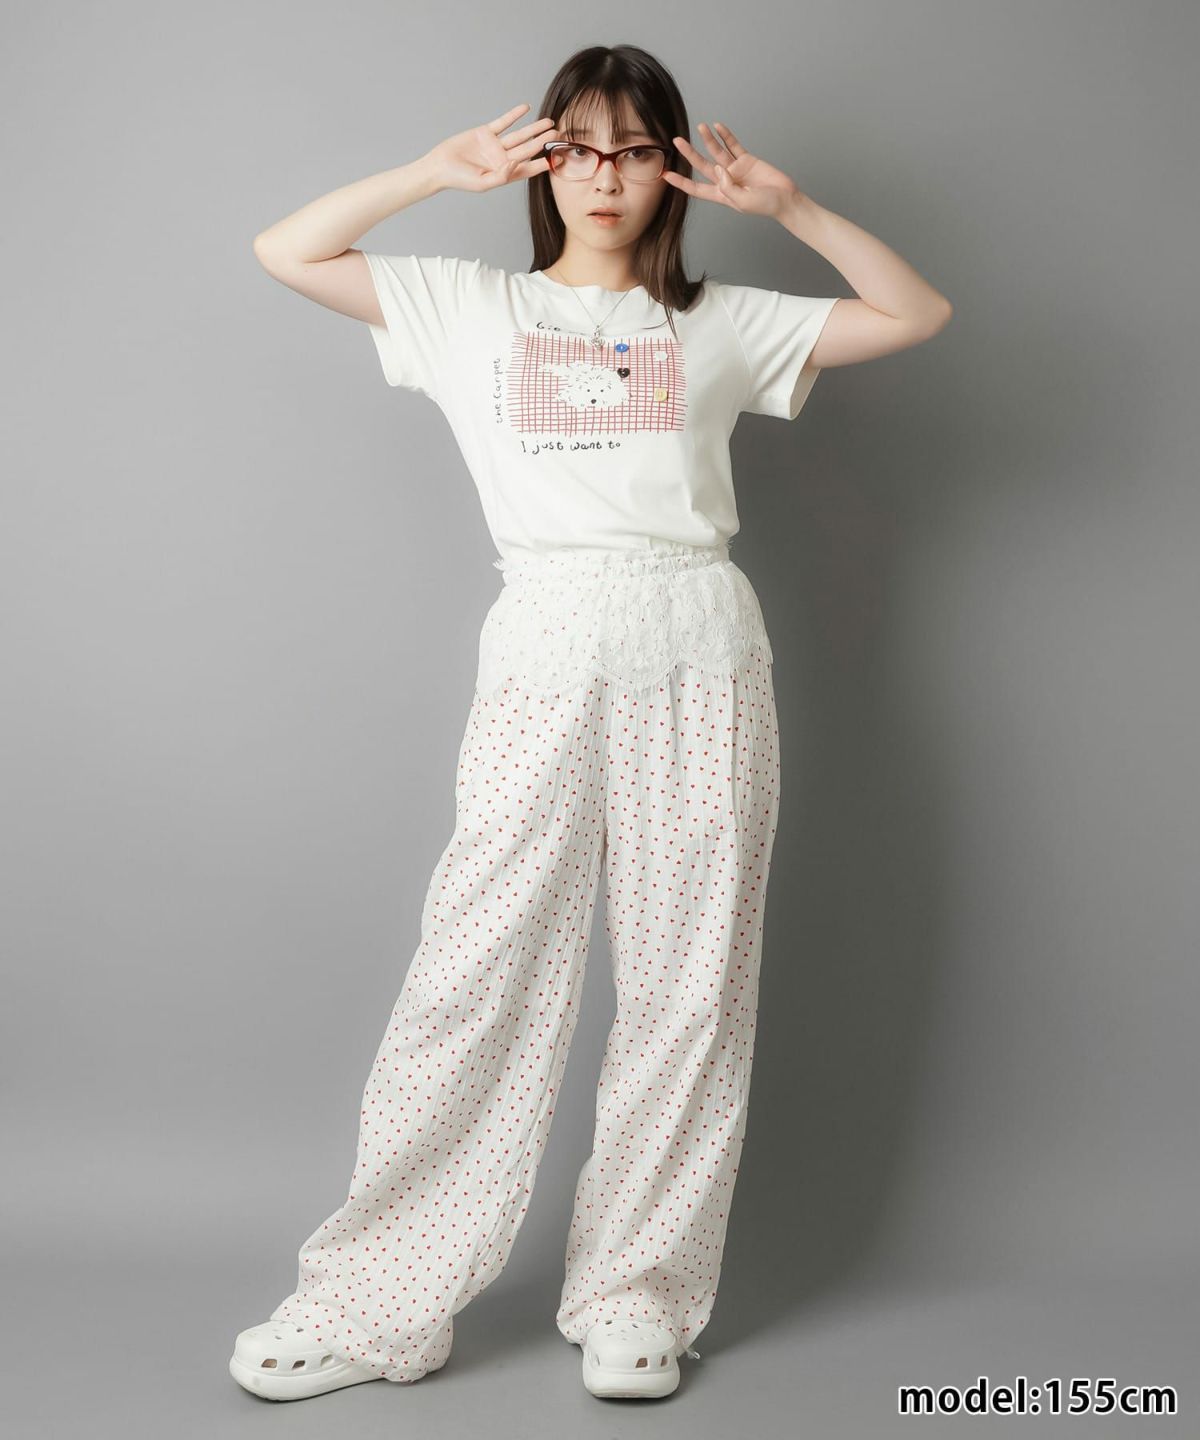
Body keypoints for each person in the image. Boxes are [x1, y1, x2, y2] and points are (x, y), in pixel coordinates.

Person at [234, 42, 952, 1404]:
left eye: (632, 150)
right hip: (549, 642)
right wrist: (430, 171)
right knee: (478, 970)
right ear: (542, 163)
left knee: (690, 983)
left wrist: (792, 209)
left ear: (672, 168)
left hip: (700, 644)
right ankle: (379, 1297)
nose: (602, 176)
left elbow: (915, 313)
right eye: (575, 147)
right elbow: (288, 249)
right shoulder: (467, 307)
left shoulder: (723, 320)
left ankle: (638, 1297)